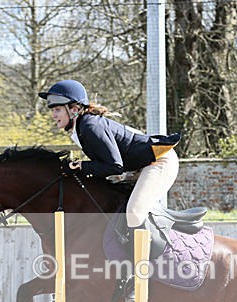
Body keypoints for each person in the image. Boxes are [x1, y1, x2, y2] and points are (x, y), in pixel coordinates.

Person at [39, 79, 180, 244]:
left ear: (75, 109)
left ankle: (149, 260)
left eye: (57, 109)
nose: (53, 115)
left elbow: (115, 166)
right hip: (141, 166)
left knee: (134, 213)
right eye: (53, 110)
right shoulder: (83, 126)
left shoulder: (90, 126)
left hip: (159, 161)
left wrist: (81, 166)